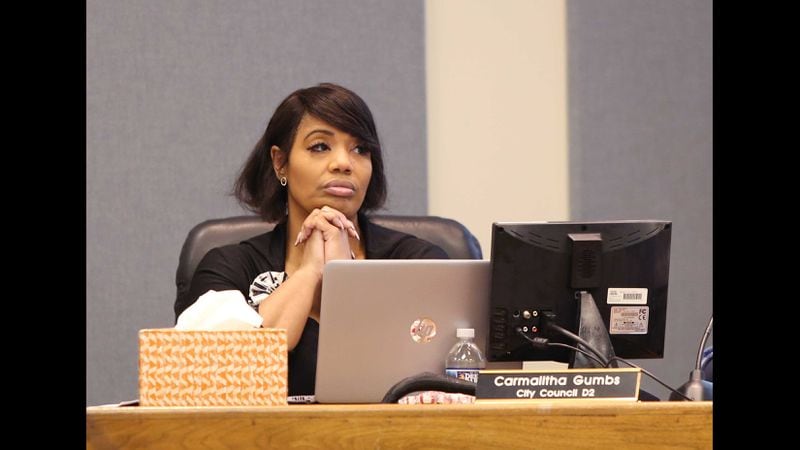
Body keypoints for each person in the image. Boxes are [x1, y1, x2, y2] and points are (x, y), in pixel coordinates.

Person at [175, 82, 447, 397]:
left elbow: (451, 379)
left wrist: (346, 278)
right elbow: (214, 382)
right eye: (320, 146)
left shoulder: (421, 262)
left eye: (361, 148)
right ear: (280, 162)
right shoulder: (229, 267)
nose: (344, 163)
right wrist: (309, 272)